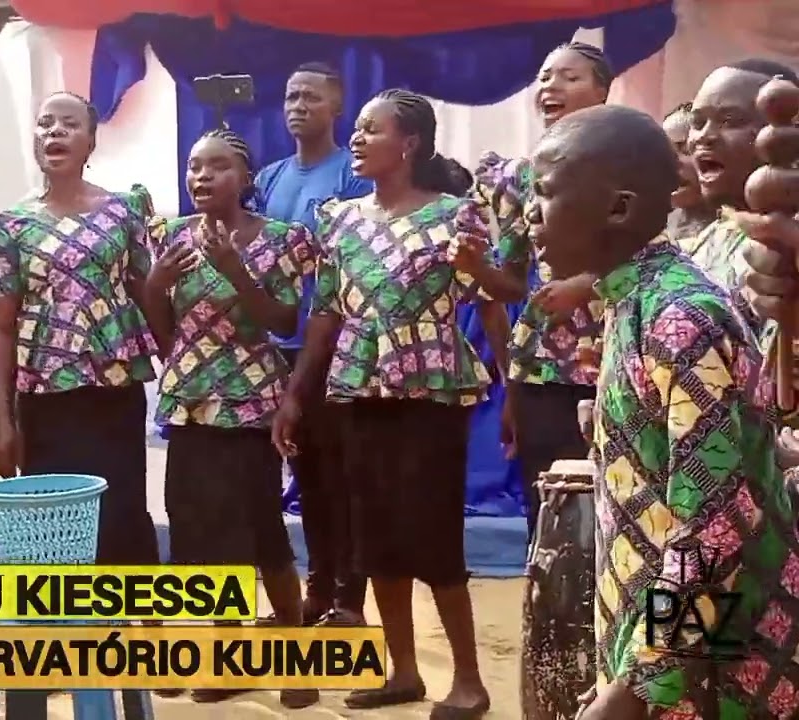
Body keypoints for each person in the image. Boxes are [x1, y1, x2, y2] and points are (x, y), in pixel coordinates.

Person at [530, 103, 799, 720]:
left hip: (717, 670)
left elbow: (717, 528)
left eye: (545, 195)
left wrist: (640, 685)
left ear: (618, 209)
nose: (531, 218)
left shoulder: (680, 320)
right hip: (675, 652)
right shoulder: (634, 301)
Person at [272, 89, 500, 717]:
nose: (358, 138)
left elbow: (495, 297)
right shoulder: (338, 219)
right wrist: (295, 396)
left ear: (410, 144)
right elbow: (325, 312)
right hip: (359, 392)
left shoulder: (458, 215)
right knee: (374, 540)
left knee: (434, 538)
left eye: (372, 129)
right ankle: (403, 672)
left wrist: (513, 390)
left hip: (431, 395)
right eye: (360, 128)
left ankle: (470, 680)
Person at [143, 127, 317, 709]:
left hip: (250, 407)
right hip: (191, 404)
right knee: (201, 533)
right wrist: (154, 288)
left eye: (216, 168)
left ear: (245, 179)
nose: (202, 177)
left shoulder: (282, 240)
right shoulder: (170, 239)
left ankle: (295, 659)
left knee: (261, 530)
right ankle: (229, 655)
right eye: (194, 167)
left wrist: (236, 269)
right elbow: (167, 336)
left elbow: (285, 322)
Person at [0, 91, 160, 566]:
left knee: (121, 516)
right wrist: (4, 420)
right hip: (44, 402)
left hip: (114, 394)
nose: (55, 132)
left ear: (91, 141)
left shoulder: (123, 212)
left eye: (69, 124)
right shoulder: (10, 225)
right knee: (54, 527)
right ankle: (70, 632)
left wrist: (179, 362)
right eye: (46, 123)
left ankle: (140, 630)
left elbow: (148, 293)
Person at [465, 41, 612, 540]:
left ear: (602, 91)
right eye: (545, 77)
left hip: (621, 356)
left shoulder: (633, 166)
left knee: (615, 502)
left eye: (569, 77)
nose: (551, 86)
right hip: (542, 365)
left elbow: (662, 254)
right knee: (547, 504)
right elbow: (508, 281)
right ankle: (554, 614)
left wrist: (586, 285)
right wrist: (475, 267)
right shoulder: (517, 178)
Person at [256, 61, 373, 625]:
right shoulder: (272, 178)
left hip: (337, 349)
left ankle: (350, 597)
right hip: (280, 350)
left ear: (336, 108)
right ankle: (318, 587)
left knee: (346, 478)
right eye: (289, 96)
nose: (297, 105)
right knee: (306, 478)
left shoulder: (351, 177)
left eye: (310, 97)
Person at [681, 59, 799, 334]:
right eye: (697, 122)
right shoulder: (706, 240)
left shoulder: (789, 243)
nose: (704, 137)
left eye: (730, 121)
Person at [662, 103, 715, 242]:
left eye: (685, 149)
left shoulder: (736, 231)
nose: (672, 163)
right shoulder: (657, 229)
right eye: (665, 153)